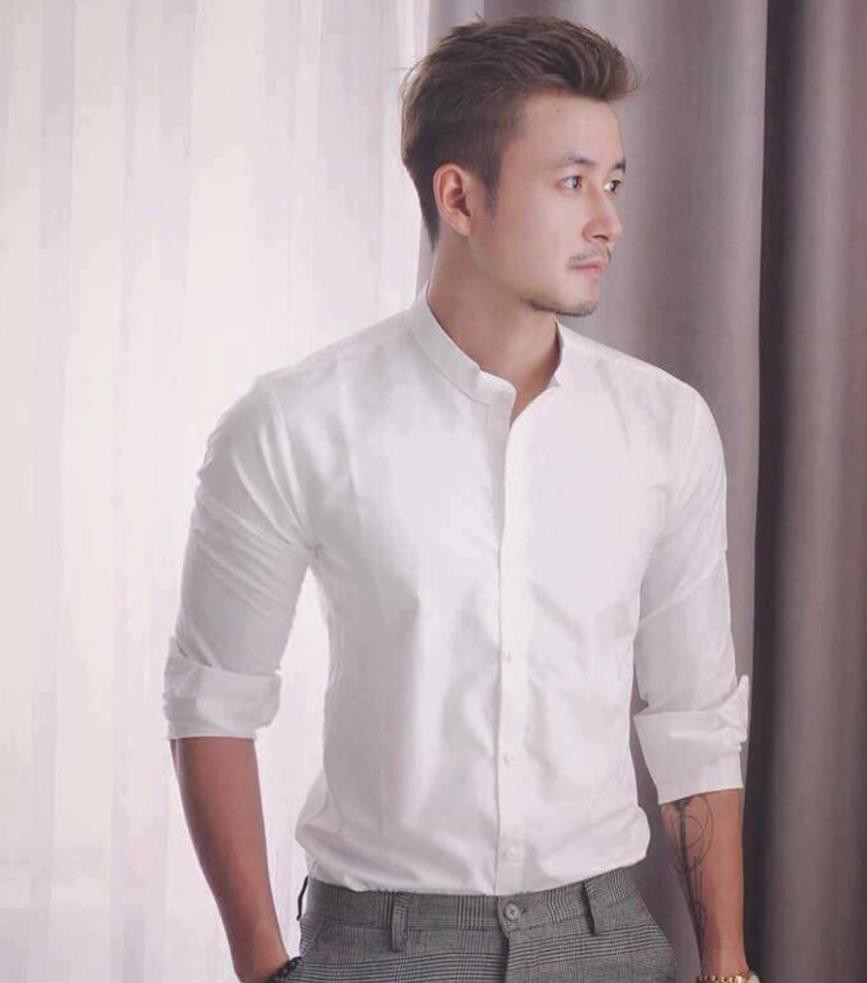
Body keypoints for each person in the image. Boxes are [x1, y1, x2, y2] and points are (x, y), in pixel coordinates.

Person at [163, 13, 758, 983]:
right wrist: (265, 968)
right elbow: (212, 699)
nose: (607, 221)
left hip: (603, 939)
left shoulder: (664, 425)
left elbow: (691, 715)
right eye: (570, 182)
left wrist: (726, 963)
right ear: (460, 196)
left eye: (612, 184)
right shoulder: (294, 421)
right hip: (379, 945)